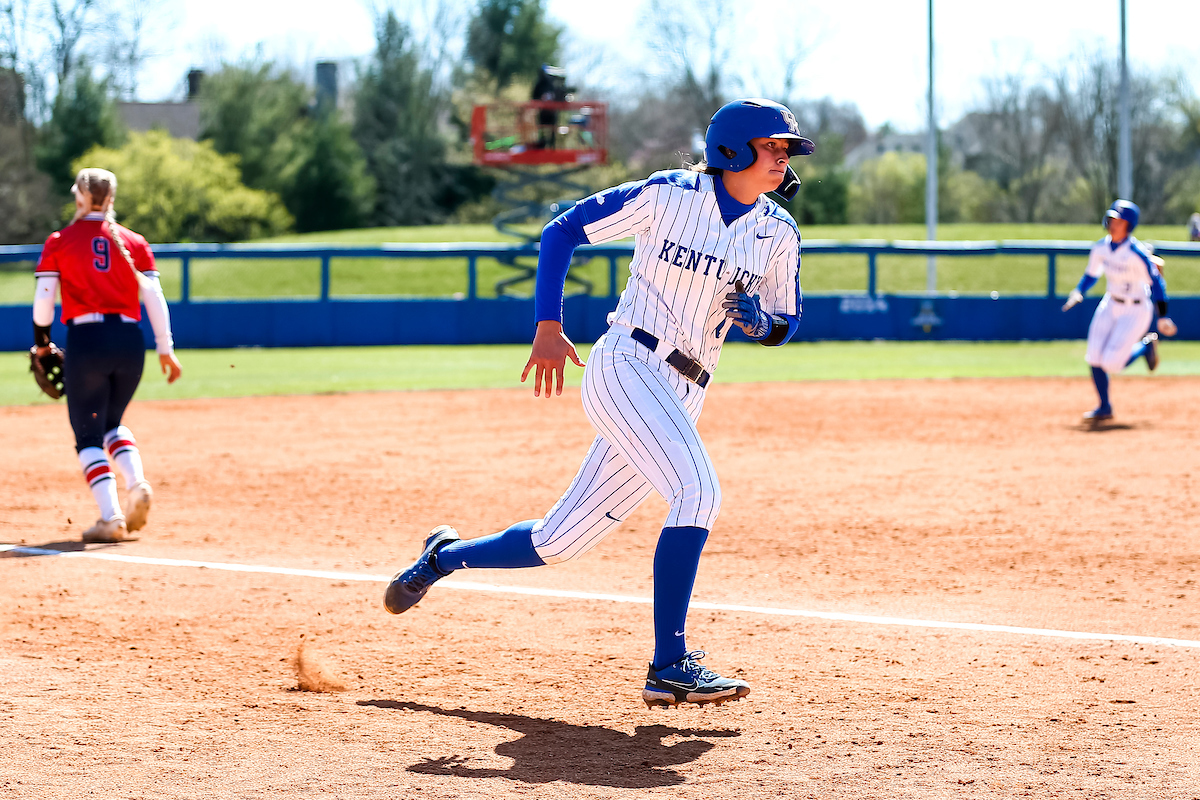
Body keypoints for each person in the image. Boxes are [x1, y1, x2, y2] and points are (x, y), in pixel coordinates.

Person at [384, 98, 813, 709]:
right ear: (734, 150)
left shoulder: (778, 232)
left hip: (686, 390)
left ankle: (443, 556)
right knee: (699, 492)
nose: (783, 158)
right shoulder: (668, 196)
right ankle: (670, 664)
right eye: (773, 146)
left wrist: (762, 322)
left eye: (786, 150)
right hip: (626, 364)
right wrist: (547, 325)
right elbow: (562, 230)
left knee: (557, 542)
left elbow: (786, 324)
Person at [33, 168, 182, 543]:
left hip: (87, 338)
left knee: (87, 436)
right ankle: (138, 484)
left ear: (80, 199)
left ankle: (111, 516)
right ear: (111, 200)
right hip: (130, 342)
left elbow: (44, 301)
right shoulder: (134, 241)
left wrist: (41, 343)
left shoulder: (59, 241)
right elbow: (154, 296)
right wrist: (165, 348)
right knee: (112, 423)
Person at [1061, 199, 1176, 422]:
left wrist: (1163, 315)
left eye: (1119, 220)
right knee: (1094, 356)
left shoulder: (1137, 253)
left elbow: (1157, 283)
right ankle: (1105, 407)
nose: (1113, 223)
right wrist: (1079, 290)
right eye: (1112, 218)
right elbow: (1092, 273)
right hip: (1111, 303)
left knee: (1111, 363)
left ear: (1128, 225)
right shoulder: (1101, 248)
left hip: (1136, 309)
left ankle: (1145, 348)